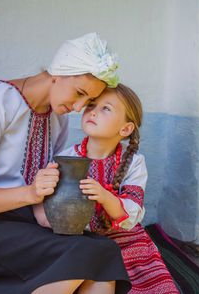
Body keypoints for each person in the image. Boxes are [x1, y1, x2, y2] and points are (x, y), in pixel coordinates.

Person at [0, 33, 131, 294]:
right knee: (78, 257)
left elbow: (41, 197)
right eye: (79, 93)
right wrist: (31, 193)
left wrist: (61, 217)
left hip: (20, 220)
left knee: (102, 251)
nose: (79, 106)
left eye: (88, 101)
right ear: (58, 72)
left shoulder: (56, 118)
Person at [34, 84, 179, 294]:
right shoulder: (68, 158)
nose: (93, 111)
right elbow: (48, 203)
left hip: (124, 239)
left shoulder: (134, 163)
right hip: (78, 237)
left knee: (152, 286)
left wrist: (105, 196)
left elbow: (131, 214)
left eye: (106, 109)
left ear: (126, 129)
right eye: (92, 105)